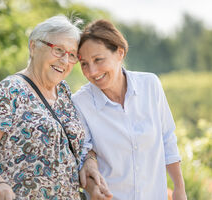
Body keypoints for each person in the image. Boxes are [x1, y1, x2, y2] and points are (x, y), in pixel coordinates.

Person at [0, 15, 86, 200]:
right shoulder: (12, 90)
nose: (65, 60)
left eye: (72, 55)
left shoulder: (63, 92)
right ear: (33, 47)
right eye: (59, 50)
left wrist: (90, 162)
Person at [72, 19, 187, 200]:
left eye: (98, 60)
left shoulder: (150, 85)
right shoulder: (80, 102)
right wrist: (94, 190)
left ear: (120, 53)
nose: (92, 71)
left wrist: (179, 188)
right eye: (84, 63)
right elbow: (85, 155)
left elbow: (167, 138)